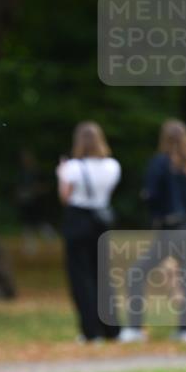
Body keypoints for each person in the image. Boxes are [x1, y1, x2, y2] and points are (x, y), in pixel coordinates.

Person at [119, 119, 186, 344]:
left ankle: (134, 328)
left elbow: (150, 194)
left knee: (136, 273)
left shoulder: (159, 163)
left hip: (170, 228)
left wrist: (153, 210)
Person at [56, 122, 121, 343]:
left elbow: (66, 196)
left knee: (81, 277)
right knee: (103, 275)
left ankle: (91, 330)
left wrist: (60, 175)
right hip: (102, 221)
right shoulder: (113, 166)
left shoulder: (72, 167)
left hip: (78, 220)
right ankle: (112, 328)